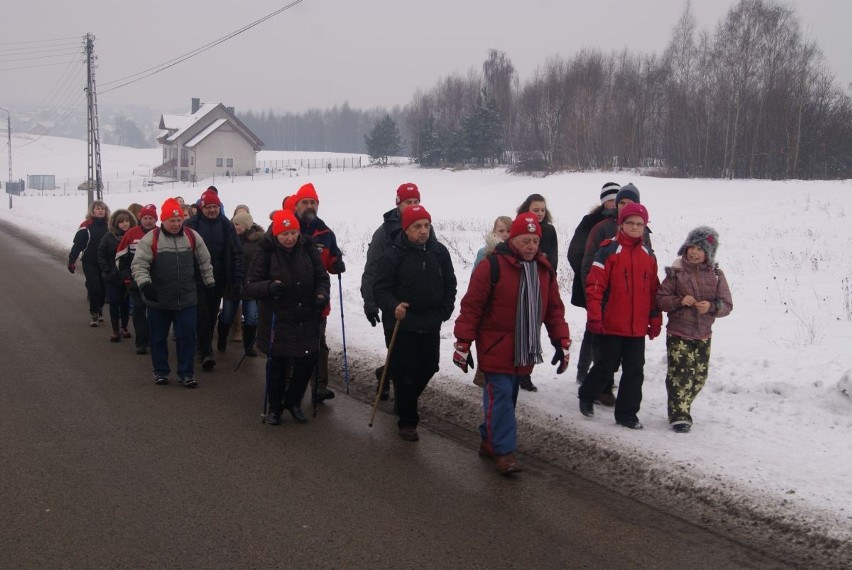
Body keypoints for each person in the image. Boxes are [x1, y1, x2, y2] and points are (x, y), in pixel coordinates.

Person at [454, 212, 570, 474]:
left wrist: (561, 341)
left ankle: (488, 438)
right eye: (524, 240)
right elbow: (471, 307)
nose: (530, 246)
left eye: (534, 241)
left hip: (524, 348)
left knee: (505, 400)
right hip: (495, 346)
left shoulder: (543, 270)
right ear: (512, 239)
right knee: (503, 395)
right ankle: (504, 452)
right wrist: (463, 343)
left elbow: (553, 310)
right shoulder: (491, 266)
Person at [373, 205, 457, 441]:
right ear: (406, 228)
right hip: (403, 321)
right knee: (406, 371)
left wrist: (445, 309)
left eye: (426, 226)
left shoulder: (439, 252)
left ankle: (404, 399)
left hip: (431, 320)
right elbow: (380, 289)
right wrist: (393, 306)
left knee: (430, 366)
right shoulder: (393, 254)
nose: (423, 231)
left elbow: (450, 283)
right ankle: (408, 421)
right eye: (417, 226)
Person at [578, 203, 661, 430]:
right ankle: (587, 394)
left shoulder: (649, 256)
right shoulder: (608, 251)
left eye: (639, 224)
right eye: (630, 223)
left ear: (645, 227)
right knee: (606, 366)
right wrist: (595, 316)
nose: (635, 228)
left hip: (636, 328)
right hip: (611, 324)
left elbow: (654, 291)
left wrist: (655, 319)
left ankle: (627, 414)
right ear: (621, 224)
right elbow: (595, 287)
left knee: (635, 371)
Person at [245, 209, 330, 425]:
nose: (290, 238)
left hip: (306, 315)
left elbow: (322, 276)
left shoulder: (308, 248)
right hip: (278, 317)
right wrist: (269, 287)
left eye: (293, 232)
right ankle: (275, 407)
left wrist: (321, 294)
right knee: (279, 365)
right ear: (276, 234)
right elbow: (251, 285)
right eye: (285, 234)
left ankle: (293, 402)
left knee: (307, 360)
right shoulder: (265, 252)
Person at [131, 198, 215, 387]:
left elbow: (204, 262)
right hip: (158, 299)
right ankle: (161, 371)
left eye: (179, 220)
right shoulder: (151, 239)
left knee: (187, 336)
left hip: (186, 298)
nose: (176, 224)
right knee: (158, 337)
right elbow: (139, 265)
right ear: (163, 221)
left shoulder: (192, 237)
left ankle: (186, 373)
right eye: (172, 221)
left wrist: (210, 284)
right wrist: (145, 285)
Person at [656, 226, 733, 433]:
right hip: (679, 332)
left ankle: (680, 403)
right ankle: (679, 414)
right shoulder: (676, 272)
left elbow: (727, 305)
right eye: (692, 247)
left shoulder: (716, 275)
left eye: (701, 249)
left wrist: (712, 307)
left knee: (699, 376)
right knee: (681, 373)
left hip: (704, 334)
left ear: (708, 253)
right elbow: (661, 299)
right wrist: (680, 301)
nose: (695, 252)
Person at [361, 182, 426, 400]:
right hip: (391, 301)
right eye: (408, 202)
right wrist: (369, 302)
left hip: (417, 303)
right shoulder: (385, 232)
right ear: (398, 203)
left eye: (416, 201)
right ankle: (403, 405)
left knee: (415, 357)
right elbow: (372, 268)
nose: (413, 206)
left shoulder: (425, 229)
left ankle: (385, 373)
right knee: (399, 353)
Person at [292, 182, 345, 403]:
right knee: (291, 343)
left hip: (317, 298)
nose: (309, 206)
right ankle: (287, 386)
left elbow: (332, 261)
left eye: (313, 202)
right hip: (291, 299)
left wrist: (337, 264)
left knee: (318, 345)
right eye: (305, 202)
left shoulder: (326, 233)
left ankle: (319, 387)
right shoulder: (287, 228)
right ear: (297, 205)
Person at [184, 187, 244, 371]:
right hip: (195, 277)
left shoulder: (226, 225)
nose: (212, 210)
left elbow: (236, 253)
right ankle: (205, 350)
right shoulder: (191, 225)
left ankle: (204, 345)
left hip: (219, 278)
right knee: (201, 313)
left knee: (210, 314)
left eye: (215, 207)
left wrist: (237, 278)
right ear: (201, 207)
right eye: (208, 207)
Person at [567, 182, 620, 384]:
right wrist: (589, 278)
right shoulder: (591, 222)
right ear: (603, 201)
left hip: (616, 289)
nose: (614, 203)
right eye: (610, 200)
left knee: (611, 331)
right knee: (593, 328)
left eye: (618, 199)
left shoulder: (627, 221)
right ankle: (583, 371)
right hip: (592, 285)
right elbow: (576, 253)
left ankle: (604, 373)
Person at [515, 193, 558, 392]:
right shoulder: (519, 226)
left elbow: (553, 258)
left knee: (533, 331)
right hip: (519, 280)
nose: (540, 213)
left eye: (542, 210)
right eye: (536, 210)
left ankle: (526, 374)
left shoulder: (549, 230)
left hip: (540, 281)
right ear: (527, 210)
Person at [470, 215, 512, 388]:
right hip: (487, 304)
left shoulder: (516, 251)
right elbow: (476, 278)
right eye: (501, 230)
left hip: (505, 306)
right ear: (494, 231)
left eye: (509, 231)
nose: (505, 234)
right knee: (488, 342)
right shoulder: (485, 252)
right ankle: (483, 376)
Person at [116, 203, 158, 354]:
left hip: (157, 281)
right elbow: (121, 257)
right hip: (136, 280)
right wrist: (127, 277)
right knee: (139, 310)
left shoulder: (161, 234)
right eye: (145, 218)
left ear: (156, 220)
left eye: (151, 218)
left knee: (155, 312)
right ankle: (141, 342)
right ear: (140, 218)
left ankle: (155, 340)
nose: (148, 221)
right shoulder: (131, 234)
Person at [226, 209, 264, 357]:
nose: (235, 227)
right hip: (232, 283)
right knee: (227, 315)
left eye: (238, 224)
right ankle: (222, 340)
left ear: (246, 226)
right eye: (234, 224)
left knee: (251, 317)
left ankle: (249, 347)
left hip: (250, 284)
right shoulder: (229, 237)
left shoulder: (258, 241)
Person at [67, 200, 111, 326]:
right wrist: (72, 260)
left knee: (103, 289)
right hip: (89, 261)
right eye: (98, 208)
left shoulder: (110, 225)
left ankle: (100, 308)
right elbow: (78, 244)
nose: (101, 210)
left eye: (103, 208)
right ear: (92, 211)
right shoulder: (86, 225)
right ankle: (94, 313)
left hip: (104, 262)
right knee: (95, 287)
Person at [97, 208, 136, 342]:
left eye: (127, 221)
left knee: (125, 304)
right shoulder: (108, 237)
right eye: (121, 222)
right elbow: (101, 254)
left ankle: (124, 327)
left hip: (129, 277)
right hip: (112, 277)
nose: (125, 224)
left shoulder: (133, 237)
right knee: (114, 302)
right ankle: (115, 330)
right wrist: (107, 269)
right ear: (115, 223)